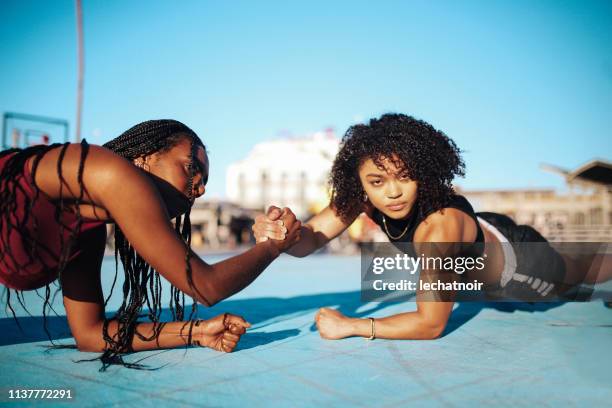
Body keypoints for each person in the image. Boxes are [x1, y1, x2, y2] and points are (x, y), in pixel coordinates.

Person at [253, 113, 611, 341]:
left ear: (422, 172)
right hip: (481, 235)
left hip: (519, 267)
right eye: (376, 182)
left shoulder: (438, 229)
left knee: (578, 273)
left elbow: (431, 324)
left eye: (404, 177)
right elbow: (309, 241)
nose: (391, 192)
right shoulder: (365, 197)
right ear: (360, 182)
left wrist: (353, 326)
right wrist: (281, 234)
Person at [0, 119, 300, 369]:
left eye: (205, 179)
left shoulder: (86, 234)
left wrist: (199, 331)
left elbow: (90, 335)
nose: (203, 187)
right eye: (191, 167)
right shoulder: (112, 171)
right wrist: (272, 248)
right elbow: (206, 286)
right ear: (144, 159)